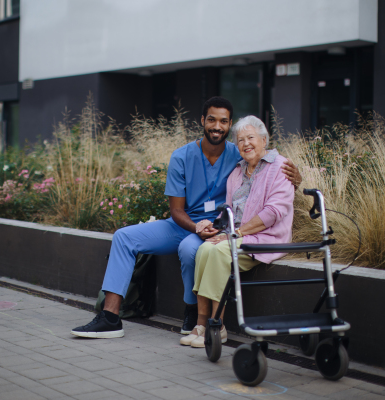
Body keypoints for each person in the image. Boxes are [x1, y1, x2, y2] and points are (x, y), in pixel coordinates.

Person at [71, 97, 301, 339]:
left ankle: (193, 313)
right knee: (123, 237)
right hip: (184, 224)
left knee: (190, 250)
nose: (217, 126)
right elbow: (176, 210)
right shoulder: (182, 157)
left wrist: (297, 177)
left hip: (218, 228)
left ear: (229, 124)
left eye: (224, 122)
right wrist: (195, 227)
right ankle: (110, 317)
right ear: (203, 121)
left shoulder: (238, 154)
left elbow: (269, 166)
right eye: (211, 120)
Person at [180, 115, 295, 348]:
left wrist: (237, 233)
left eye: (251, 138)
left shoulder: (279, 167)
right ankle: (202, 323)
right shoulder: (237, 172)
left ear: (264, 140)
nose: (245, 144)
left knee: (221, 251)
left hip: (266, 238)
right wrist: (216, 227)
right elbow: (229, 211)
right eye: (240, 140)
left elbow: (273, 212)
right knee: (205, 249)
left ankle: (217, 325)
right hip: (239, 234)